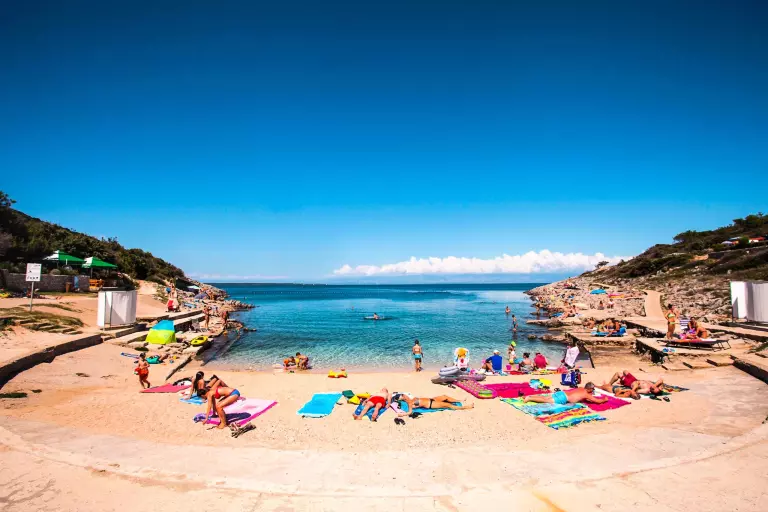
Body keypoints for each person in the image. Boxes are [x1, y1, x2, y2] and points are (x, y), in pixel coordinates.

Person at [522, 382, 607, 405]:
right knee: (546, 400)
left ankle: (528, 396)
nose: (592, 391)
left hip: (562, 393)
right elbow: (597, 401)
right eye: (592, 389)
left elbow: (578, 396)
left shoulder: (581, 388)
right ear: (589, 389)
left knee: (545, 397)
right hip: (563, 398)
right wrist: (604, 400)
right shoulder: (586, 394)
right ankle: (529, 398)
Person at [397, 394, 474, 413]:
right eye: (403, 396)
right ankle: (466, 407)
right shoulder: (410, 404)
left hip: (432, 399)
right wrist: (403, 414)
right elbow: (410, 411)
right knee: (448, 405)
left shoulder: (412, 399)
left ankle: (459, 400)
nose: (405, 395)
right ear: (404, 399)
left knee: (444, 396)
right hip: (431, 404)